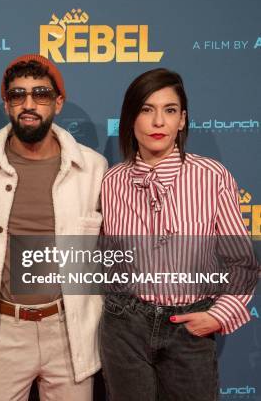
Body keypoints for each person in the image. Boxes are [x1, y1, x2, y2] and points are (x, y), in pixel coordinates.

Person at [100, 68, 256, 400]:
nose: (158, 122)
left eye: (169, 110)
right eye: (146, 109)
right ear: (130, 119)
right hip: (124, 328)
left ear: (182, 120)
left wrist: (217, 316)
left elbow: (242, 263)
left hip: (188, 329)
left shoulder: (212, 177)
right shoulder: (111, 181)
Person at [0, 54, 108, 400]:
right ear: (7, 103)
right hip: (1, 331)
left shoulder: (93, 167)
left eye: (40, 94)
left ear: (58, 102)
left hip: (68, 331)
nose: (28, 104)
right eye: (18, 95)